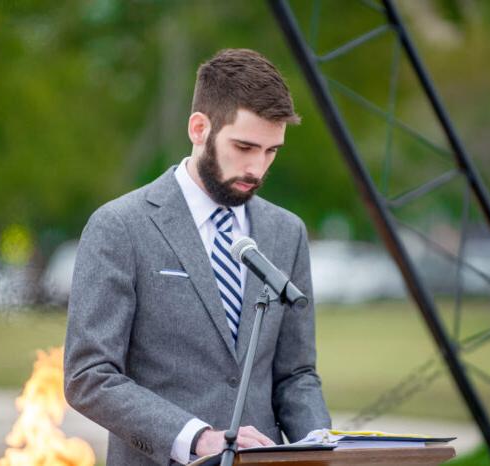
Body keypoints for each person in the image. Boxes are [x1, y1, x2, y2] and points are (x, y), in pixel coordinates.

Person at [64, 48, 331, 466]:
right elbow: (89, 376)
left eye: (271, 151)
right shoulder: (120, 226)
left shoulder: (287, 232)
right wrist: (199, 438)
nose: (257, 169)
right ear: (199, 128)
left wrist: (320, 445)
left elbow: (295, 375)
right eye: (244, 146)